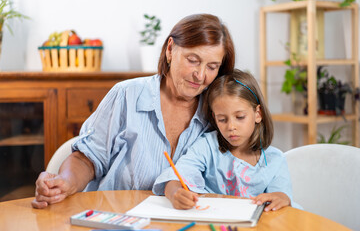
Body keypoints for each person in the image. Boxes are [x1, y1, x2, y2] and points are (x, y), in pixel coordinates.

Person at [31, 13, 235, 209]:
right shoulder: (126, 94)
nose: (200, 75)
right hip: (116, 220)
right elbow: (86, 158)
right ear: (170, 49)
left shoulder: (218, 115)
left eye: (212, 67)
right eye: (193, 60)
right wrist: (65, 182)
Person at [152, 69, 294, 212]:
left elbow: (282, 197)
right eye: (222, 119)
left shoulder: (275, 159)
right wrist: (175, 193)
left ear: (258, 114)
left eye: (240, 117)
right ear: (214, 118)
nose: (231, 127)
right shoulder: (207, 146)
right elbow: (174, 179)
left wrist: (281, 198)